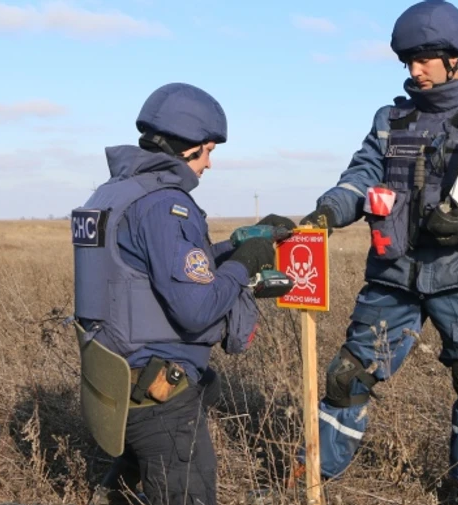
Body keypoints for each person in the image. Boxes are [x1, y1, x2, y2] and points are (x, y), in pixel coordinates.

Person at [298, 1, 458, 503]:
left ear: (454, 57)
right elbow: (361, 178)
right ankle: (312, 476)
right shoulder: (391, 118)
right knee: (347, 376)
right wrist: (327, 213)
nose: (415, 70)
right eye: (408, 61)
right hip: (393, 273)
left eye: (425, 59)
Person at [71, 82, 295, 505]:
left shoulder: (112, 194)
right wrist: (245, 264)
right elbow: (197, 309)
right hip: (158, 393)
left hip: (115, 379)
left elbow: (151, 267)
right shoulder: (165, 204)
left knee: (204, 391)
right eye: (208, 151)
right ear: (187, 146)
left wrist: (235, 246)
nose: (209, 163)